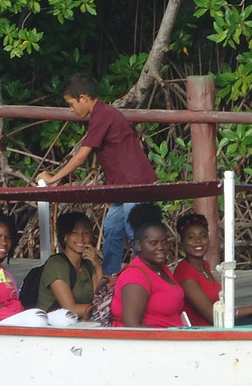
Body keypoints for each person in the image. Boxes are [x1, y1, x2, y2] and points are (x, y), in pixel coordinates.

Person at [34, 74, 157, 276]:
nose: (71, 109)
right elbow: (117, 155)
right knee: (112, 229)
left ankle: (145, 276)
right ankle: (108, 276)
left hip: (133, 183)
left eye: (71, 104)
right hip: (121, 186)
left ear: (83, 98)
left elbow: (81, 156)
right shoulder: (102, 115)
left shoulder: (103, 115)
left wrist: (53, 178)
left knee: (135, 230)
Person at [172, 213, 252, 326]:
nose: (198, 241)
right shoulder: (185, 273)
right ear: (181, 243)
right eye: (191, 237)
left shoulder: (204, 266)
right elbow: (212, 316)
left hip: (221, 323)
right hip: (206, 330)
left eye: (203, 236)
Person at [110, 204, 186, 328]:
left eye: (164, 242)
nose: (161, 247)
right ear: (138, 245)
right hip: (153, 339)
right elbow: (133, 326)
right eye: (153, 243)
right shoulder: (135, 276)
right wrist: (167, 335)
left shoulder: (161, 269)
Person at [35, 212, 104, 319]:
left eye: (86, 233)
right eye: (74, 233)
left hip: (83, 321)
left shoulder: (89, 263)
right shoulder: (56, 264)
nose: (81, 238)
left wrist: (98, 266)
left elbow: (101, 297)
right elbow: (70, 308)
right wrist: (102, 309)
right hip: (56, 323)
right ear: (65, 237)